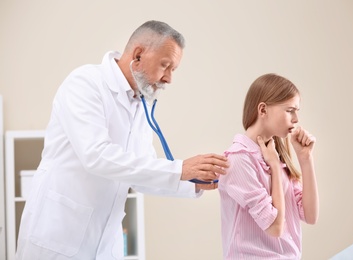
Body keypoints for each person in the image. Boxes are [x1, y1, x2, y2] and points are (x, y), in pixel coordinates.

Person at [15, 20, 229, 260]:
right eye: (165, 65)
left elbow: (139, 175)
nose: (168, 78)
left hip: (106, 242)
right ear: (138, 54)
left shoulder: (140, 102)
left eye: (173, 70)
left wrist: (193, 182)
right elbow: (97, 156)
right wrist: (180, 168)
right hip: (58, 234)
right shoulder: (85, 83)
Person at [218, 73, 319, 259]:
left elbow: (310, 216)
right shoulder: (239, 159)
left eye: (297, 111)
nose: (296, 119)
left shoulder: (277, 156)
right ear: (263, 110)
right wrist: (272, 165)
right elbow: (275, 227)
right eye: (290, 110)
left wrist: (305, 159)